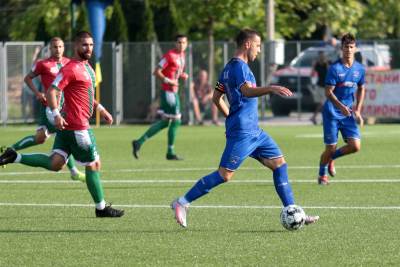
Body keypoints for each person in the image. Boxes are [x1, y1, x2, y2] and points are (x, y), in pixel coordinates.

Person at [170, 29, 319, 228]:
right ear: (247, 44)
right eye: (257, 46)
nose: (258, 50)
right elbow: (247, 92)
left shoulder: (228, 68)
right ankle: (182, 202)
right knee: (224, 175)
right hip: (243, 132)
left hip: (254, 131)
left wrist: (231, 117)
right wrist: (271, 88)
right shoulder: (239, 67)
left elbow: (217, 98)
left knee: (280, 165)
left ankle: (293, 211)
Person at [0, 31, 124, 218]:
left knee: (55, 163)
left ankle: (15, 156)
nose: (88, 48)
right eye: (84, 45)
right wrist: (56, 114)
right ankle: (101, 208)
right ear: (76, 46)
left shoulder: (87, 67)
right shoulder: (71, 68)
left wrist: (102, 110)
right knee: (94, 164)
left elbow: (87, 95)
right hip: (78, 126)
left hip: (69, 127)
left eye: (91, 45)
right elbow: (51, 91)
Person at [2, 37, 85, 182]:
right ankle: (74, 172)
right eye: (54, 47)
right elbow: (28, 78)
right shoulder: (43, 64)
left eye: (60, 47)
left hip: (65, 108)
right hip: (51, 108)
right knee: (64, 133)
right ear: (50, 49)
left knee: (40, 137)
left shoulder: (69, 63)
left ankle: (10, 151)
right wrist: (37, 93)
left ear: (63, 48)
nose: (57, 49)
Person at [317, 33, 366, 185]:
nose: (349, 50)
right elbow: (328, 92)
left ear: (355, 48)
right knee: (330, 148)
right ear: (341, 48)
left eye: (351, 47)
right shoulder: (335, 68)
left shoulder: (359, 69)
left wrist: (357, 110)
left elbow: (361, 88)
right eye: (346, 47)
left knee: (355, 146)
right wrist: (341, 107)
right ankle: (321, 175)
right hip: (332, 112)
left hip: (348, 113)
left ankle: (332, 159)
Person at [132, 34, 189, 160]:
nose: (181, 45)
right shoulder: (169, 55)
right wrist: (169, 81)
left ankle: (139, 142)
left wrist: (182, 75)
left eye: (184, 42)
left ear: (187, 44)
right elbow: (156, 71)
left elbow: (175, 72)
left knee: (165, 122)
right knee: (176, 120)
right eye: (179, 42)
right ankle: (170, 152)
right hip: (169, 92)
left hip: (173, 91)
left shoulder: (182, 55)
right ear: (175, 43)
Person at [310, 51, 329, 125]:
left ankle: (315, 117)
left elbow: (330, 72)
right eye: (320, 56)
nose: (321, 57)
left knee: (323, 103)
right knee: (320, 104)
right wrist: (313, 66)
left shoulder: (327, 63)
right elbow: (311, 74)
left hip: (326, 86)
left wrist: (327, 63)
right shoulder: (317, 64)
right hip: (319, 85)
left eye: (323, 56)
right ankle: (316, 118)